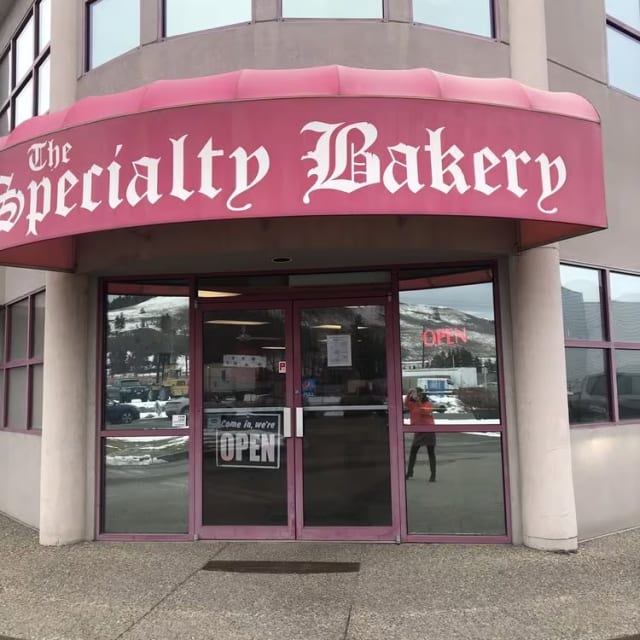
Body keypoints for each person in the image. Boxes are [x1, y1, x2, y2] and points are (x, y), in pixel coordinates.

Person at [404, 387, 437, 482]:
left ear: (423, 395)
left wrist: (418, 401)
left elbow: (425, 411)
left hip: (428, 430)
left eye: (419, 395)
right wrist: (409, 392)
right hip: (418, 430)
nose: (417, 397)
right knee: (413, 452)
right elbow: (406, 403)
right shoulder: (413, 404)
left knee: (431, 453)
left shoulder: (428, 404)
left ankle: (433, 474)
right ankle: (409, 472)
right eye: (416, 395)